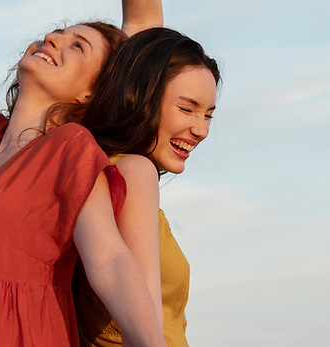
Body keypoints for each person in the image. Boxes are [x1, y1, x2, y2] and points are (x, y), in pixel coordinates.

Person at [0, 0, 167, 346]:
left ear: (91, 92)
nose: (52, 38)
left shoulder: (70, 149)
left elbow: (108, 259)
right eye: (57, 33)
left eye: (78, 45)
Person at [72, 27, 222, 347]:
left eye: (208, 115)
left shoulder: (93, 170)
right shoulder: (132, 172)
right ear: (141, 96)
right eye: (187, 108)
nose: (201, 129)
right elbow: (148, 322)